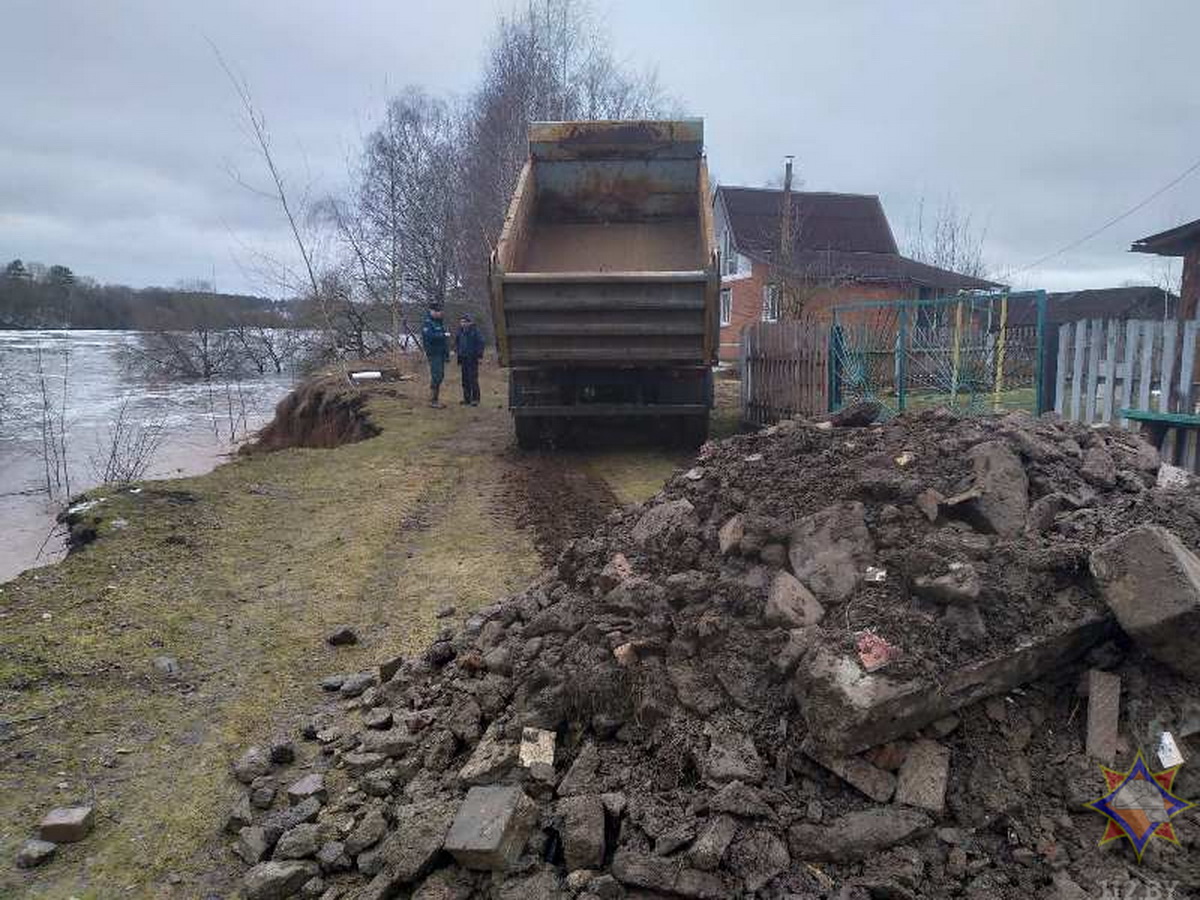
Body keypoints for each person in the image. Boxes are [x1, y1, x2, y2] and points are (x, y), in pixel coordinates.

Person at [420, 305, 450, 408]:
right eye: (436, 311)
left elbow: (444, 342)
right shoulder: (428, 323)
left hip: (440, 353)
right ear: (431, 311)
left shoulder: (439, 322)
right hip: (433, 353)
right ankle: (432, 400)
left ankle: (434, 399)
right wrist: (443, 335)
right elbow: (429, 337)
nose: (438, 313)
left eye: (439, 311)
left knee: (440, 375)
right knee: (436, 375)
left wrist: (447, 353)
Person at [454, 313, 485, 406]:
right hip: (463, 358)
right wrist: (456, 351)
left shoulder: (475, 331)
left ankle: (475, 399)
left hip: (472, 358)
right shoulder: (460, 331)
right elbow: (457, 342)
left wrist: (479, 356)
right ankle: (467, 399)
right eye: (461, 322)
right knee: (465, 380)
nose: (462, 323)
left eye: (464, 322)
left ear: (469, 322)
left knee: (473, 379)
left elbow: (481, 343)